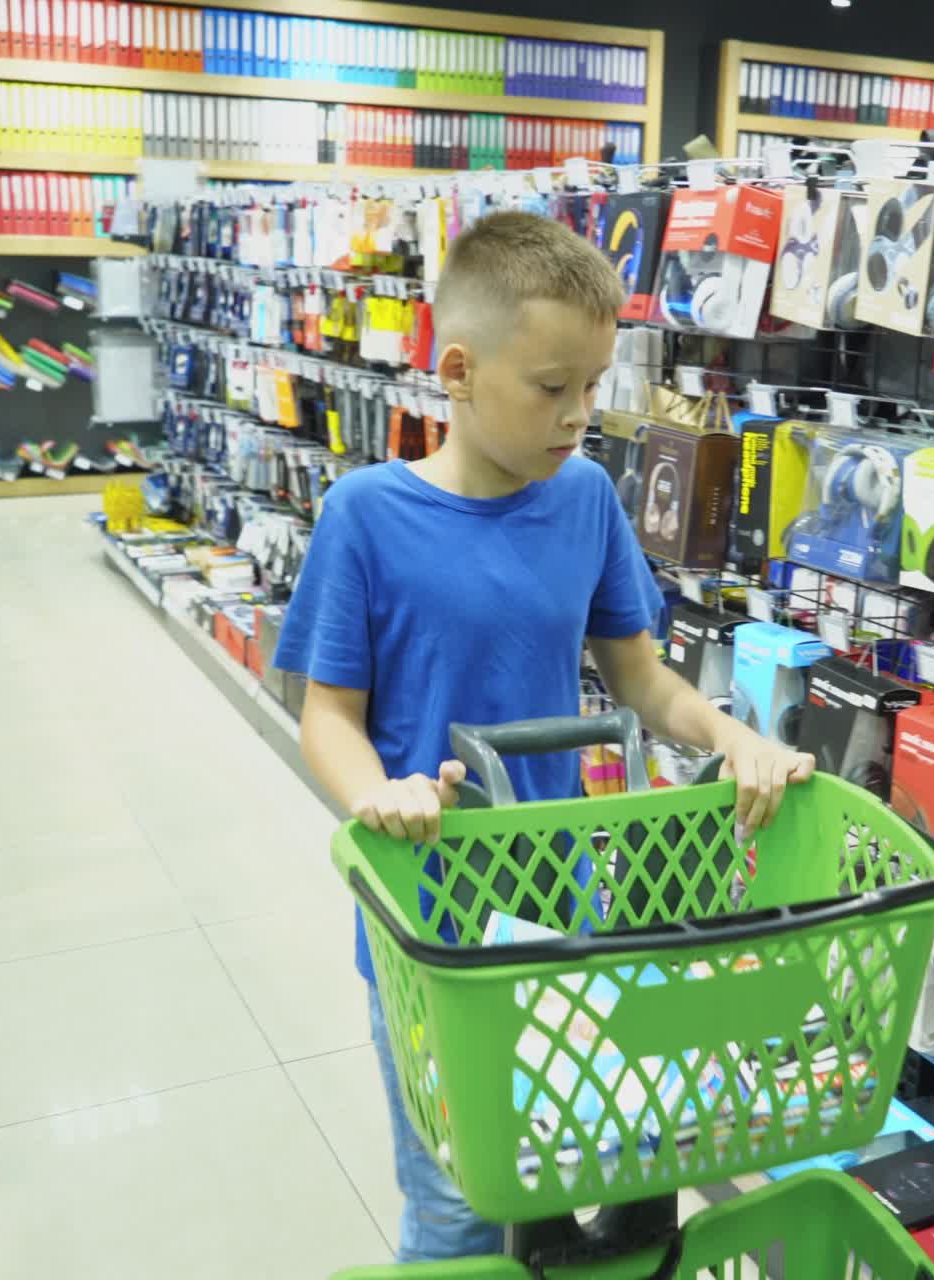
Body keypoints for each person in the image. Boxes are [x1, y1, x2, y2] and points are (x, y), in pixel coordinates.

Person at [274, 210, 814, 1263]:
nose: (578, 416)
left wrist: (733, 736)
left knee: (582, 1159)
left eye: (594, 386)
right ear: (459, 371)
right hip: (426, 918)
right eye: (550, 386)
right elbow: (326, 717)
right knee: (460, 1197)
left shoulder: (586, 502)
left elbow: (639, 677)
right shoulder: (364, 515)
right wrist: (374, 794)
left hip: (559, 903)